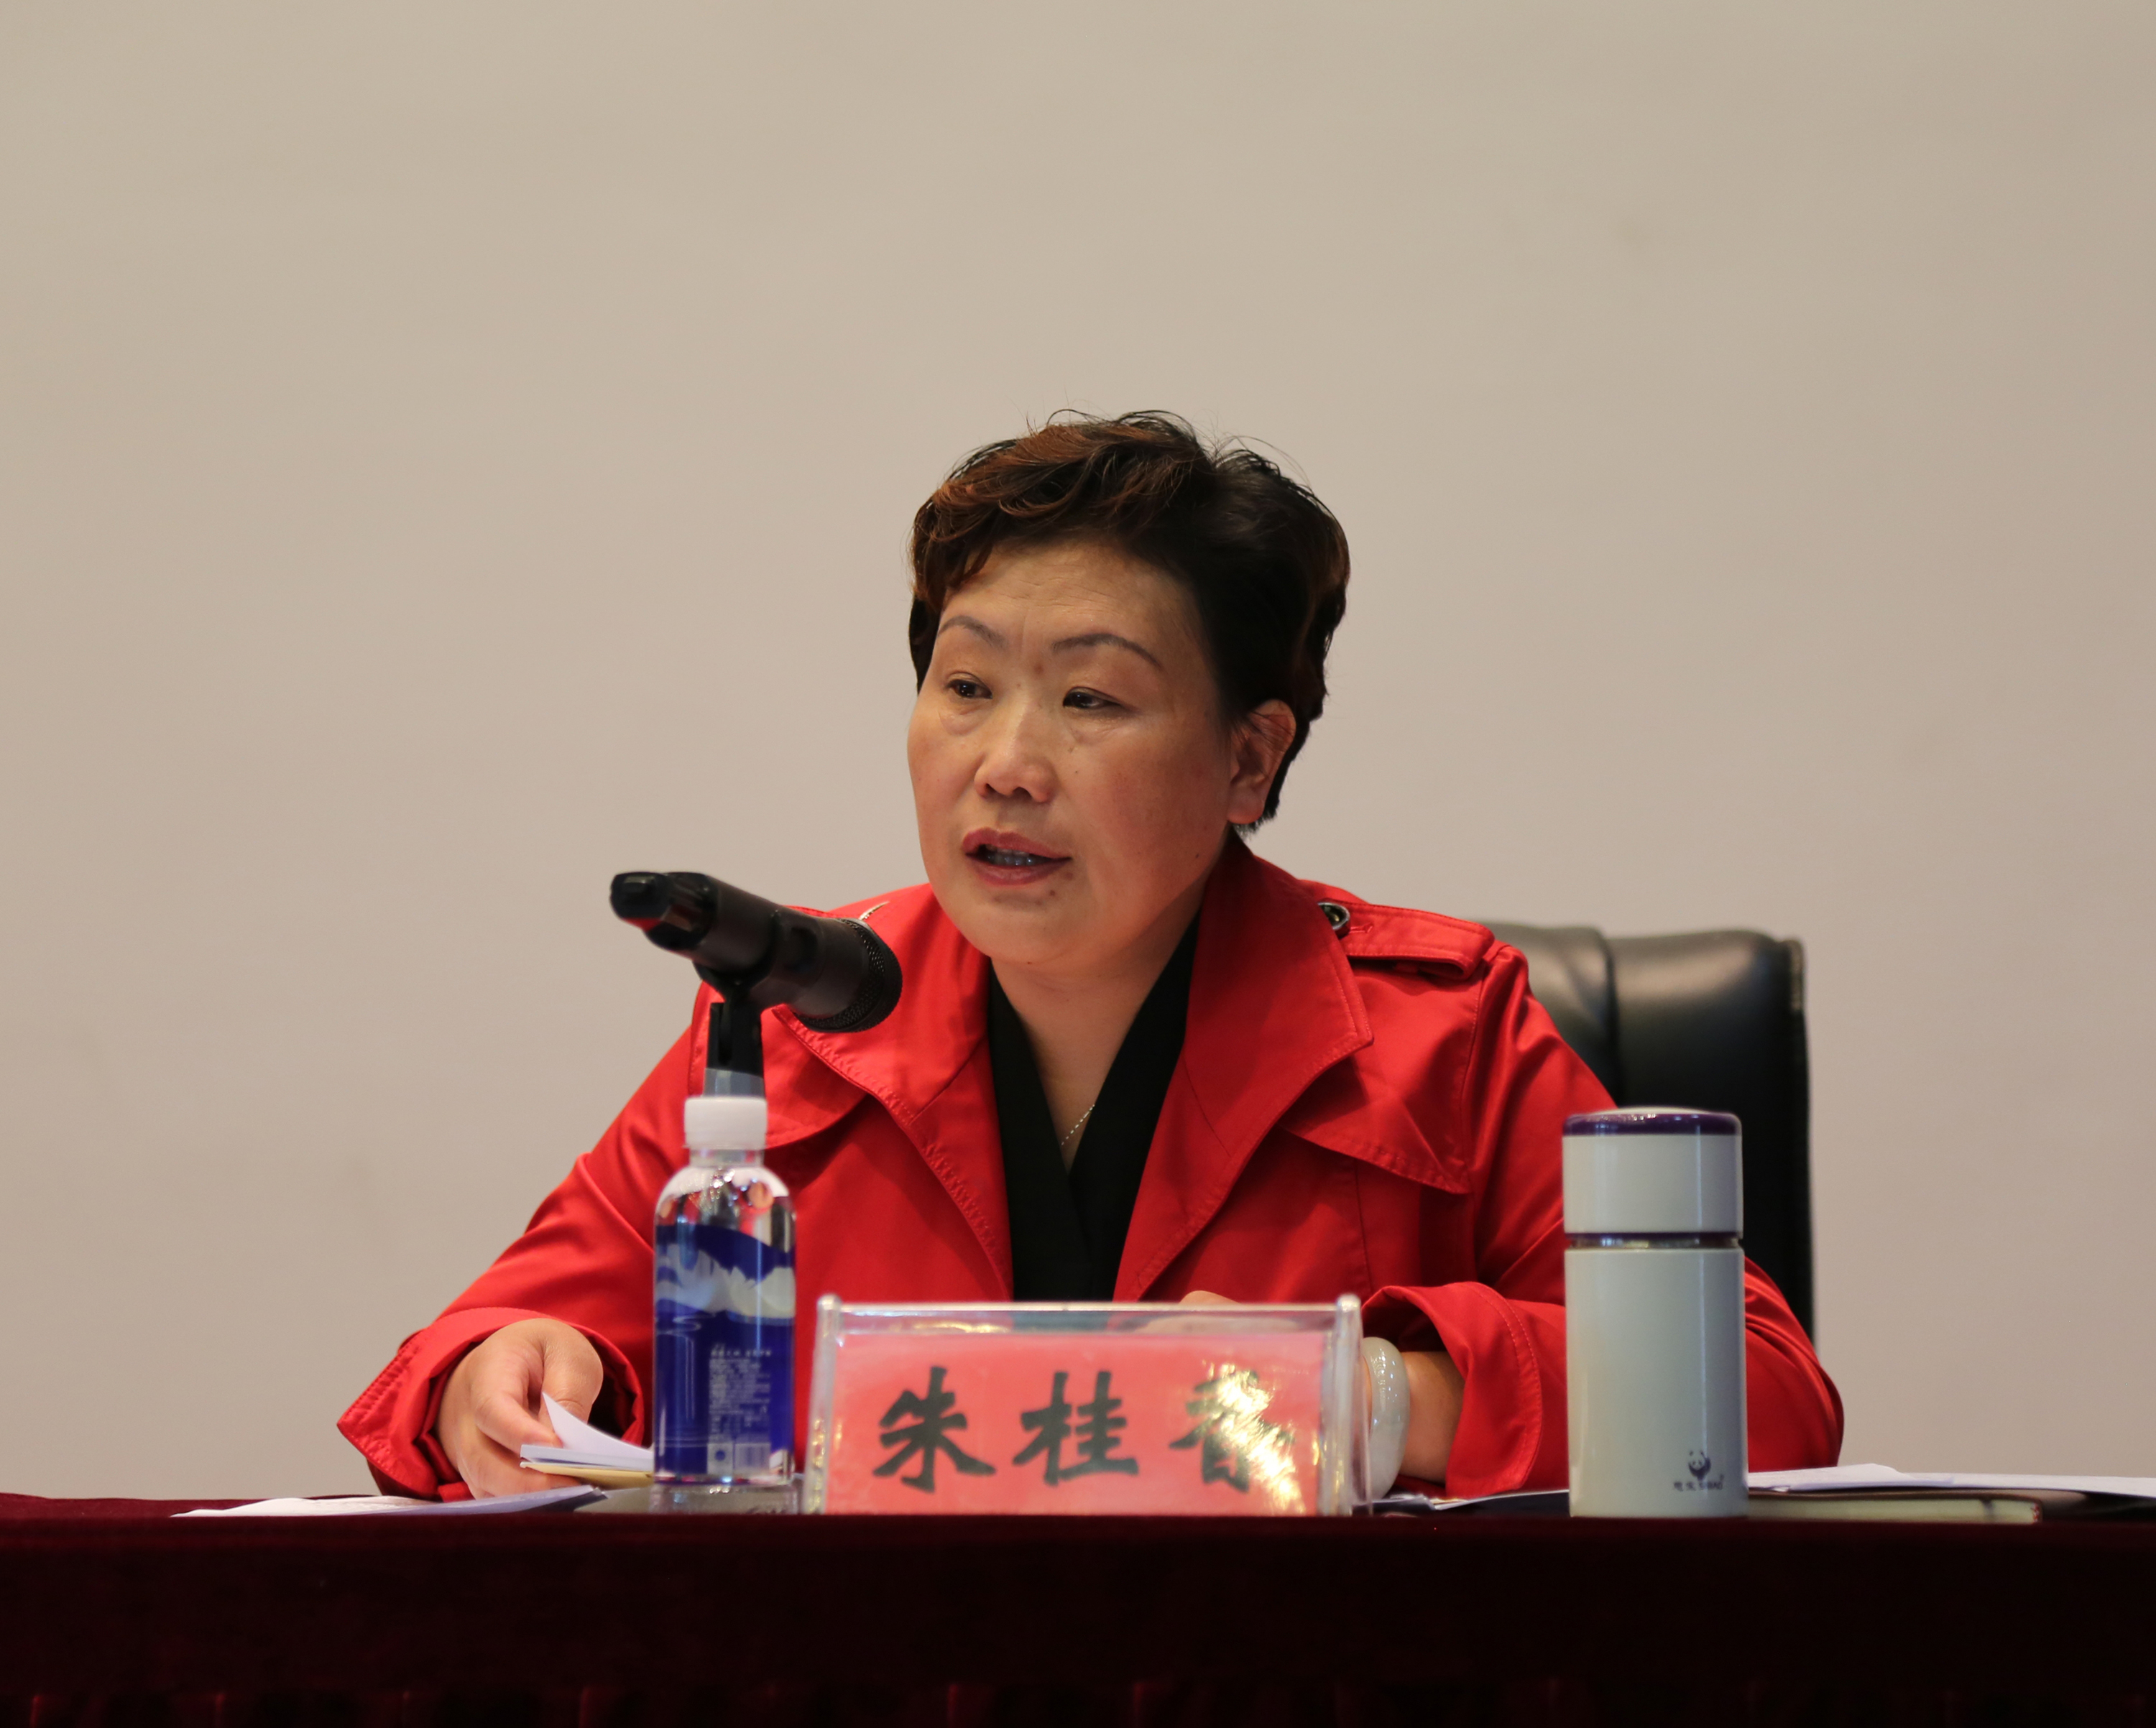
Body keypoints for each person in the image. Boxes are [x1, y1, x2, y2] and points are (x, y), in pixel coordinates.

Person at [339, 412, 1842, 1500]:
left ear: (1250, 759)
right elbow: (483, 1344)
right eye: (965, 685)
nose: (1004, 762)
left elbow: (1765, 1398)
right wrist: (504, 1376)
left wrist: (1378, 1395)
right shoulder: (803, 1014)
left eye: (1092, 701)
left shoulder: (1437, 1035)